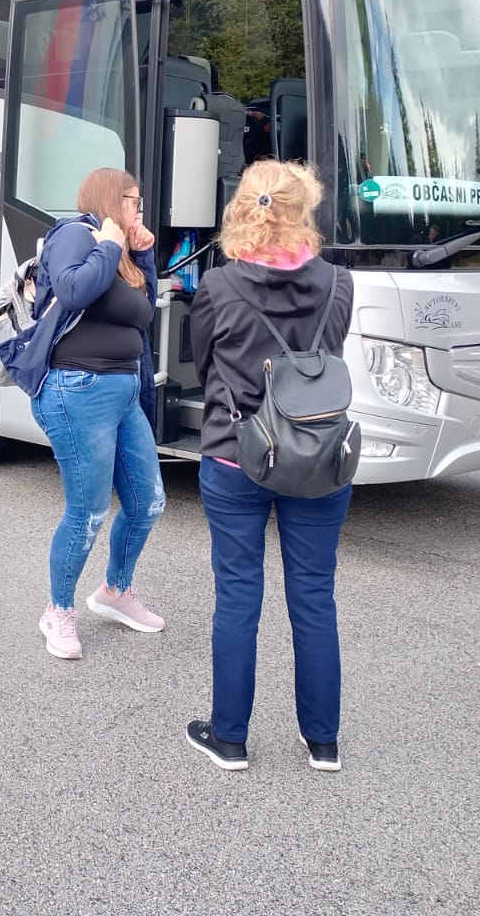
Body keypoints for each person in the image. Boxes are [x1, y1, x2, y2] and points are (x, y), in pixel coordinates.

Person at [184, 159, 355, 773]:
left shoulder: (217, 286)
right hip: (319, 455)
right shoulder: (339, 283)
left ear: (242, 208)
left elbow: (203, 364)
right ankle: (323, 742)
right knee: (314, 596)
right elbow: (326, 358)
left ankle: (229, 737)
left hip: (237, 454)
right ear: (303, 209)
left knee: (237, 596)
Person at [3, 166, 167, 660]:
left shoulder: (121, 251)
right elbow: (73, 290)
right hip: (76, 390)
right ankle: (57, 611)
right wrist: (112, 244)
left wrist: (142, 253)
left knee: (147, 502)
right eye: (133, 200)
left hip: (123, 391)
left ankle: (115, 591)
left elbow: (145, 311)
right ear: (111, 199)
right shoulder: (74, 234)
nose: (139, 209)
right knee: (89, 511)